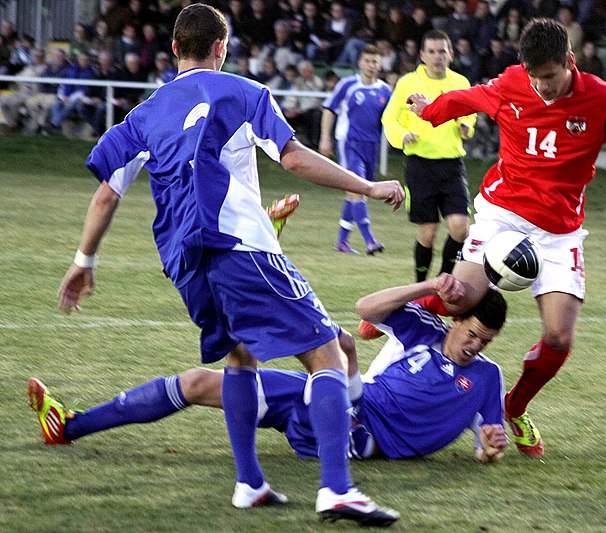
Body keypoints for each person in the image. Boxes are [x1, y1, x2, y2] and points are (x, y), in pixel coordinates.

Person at [55, 4, 403, 526]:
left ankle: (250, 483)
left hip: (185, 263)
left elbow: (106, 195)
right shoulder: (243, 92)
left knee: (240, 359)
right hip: (239, 246)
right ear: (222, 48)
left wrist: (84, 260)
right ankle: (336, 489)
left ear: (174, 49)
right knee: (328, 354)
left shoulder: (144, 114)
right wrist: (369, 186)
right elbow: (293, 158)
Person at [404, 18, 606, 458]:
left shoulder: (600, 98)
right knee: (459, 298)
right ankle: (406, 305)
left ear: (570, 62)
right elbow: (466, 100)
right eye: (535, 77)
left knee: (559, 337)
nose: (542, 87)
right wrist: (429, 109)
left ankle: (514, 407)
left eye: (550, 77)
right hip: (503, 213)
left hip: (559, 232)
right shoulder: (512, 83)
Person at [30, 274, 509, 463]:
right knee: (200, 381)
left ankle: (248, 277)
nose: (474, 346)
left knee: (264, 346)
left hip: (358, 430)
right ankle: (68, 427)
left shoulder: (486, 378)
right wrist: (427, 284)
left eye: (484, 342)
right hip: (342, 399)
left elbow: (486, 448)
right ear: (455, 319)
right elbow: (366, 305)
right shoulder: (424, 330)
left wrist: (490, 448)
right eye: (470, 334)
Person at [381, 29, 476, 282]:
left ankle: (444, 279)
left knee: (460, 229)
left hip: (452, 166)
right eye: (432, 52)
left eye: (442, 51)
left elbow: (469, 114)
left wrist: (466, 126)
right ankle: (420, 285)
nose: (437, 57)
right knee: (428, 232)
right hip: (420, 166)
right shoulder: (408, 83)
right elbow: (389, 119)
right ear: (422, 55)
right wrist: (401, 136)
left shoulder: (460, 83)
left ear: (451, 54)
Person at [319, 44, 392, 255]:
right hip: (349, 143)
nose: (371, 65)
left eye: (375, 62)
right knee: (357, 190)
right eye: (368, 61)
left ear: (380, 65)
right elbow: (329, 109)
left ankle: (342, 241)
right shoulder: (348, 85)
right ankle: (370, 241)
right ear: (360, 63)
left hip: (372, 146)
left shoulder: (384, 90)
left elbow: (390, 119)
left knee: (359, 193)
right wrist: (325, 138)